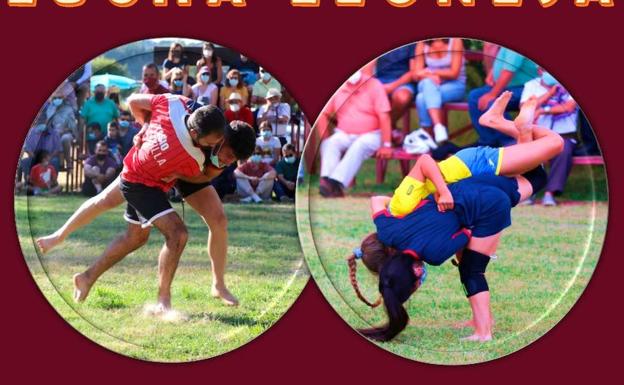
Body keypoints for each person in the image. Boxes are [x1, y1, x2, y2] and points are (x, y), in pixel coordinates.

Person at [347, 98, 563, 342]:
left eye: (417, 284)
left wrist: (478, 248)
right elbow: (377, 202)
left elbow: (466, 234)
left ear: (416, 272)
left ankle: (483, 333)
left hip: (483, 196)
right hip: (468, 186)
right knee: (536, 177)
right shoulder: (387, 228)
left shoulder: (435, 253)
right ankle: (481, 320)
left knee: (472, 270)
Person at [36, 118, 257, 307]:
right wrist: (144, 129)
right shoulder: (205, 121)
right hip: (154, 168)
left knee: (218, 220)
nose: (230, 162)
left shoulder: (224, 154)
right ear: (221, 138)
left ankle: (218, 285)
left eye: (234, 160)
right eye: (229, 155)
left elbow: (206, 176)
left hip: (190, 174)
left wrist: (184, 173)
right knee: (112, 206)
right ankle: (60, 238)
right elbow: (157, 113)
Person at [318, 68, 393, 197]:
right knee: (330, 143)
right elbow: (323, 114)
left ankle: (335, 183)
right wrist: (325, 138)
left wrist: (386, 145)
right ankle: (326, 180)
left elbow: (384, 116)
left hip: (371, 134)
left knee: (360, 145)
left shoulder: (374, 85)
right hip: (344, 133)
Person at [520, 69, 578, 206]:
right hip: (537, 134)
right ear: (539, 71)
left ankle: (549, 194)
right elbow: (525, 107)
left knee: (563, 150)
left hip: (564, 134)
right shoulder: (531, 85)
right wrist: (549, 94)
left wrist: (542, 110)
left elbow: (569, 107)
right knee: (525, 151)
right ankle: (528, 193)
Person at [468, 47, 538, 147]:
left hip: (525, 88)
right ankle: (488, 142)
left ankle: (510, 142)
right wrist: (493, 73)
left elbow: (509, 71)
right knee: (475, 96)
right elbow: (504, 61)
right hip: (509, 87)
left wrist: (492, 94)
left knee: (494, 103)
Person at [414, 38, 466, 144]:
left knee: (421, 98)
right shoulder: (422, 43)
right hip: (429, 84)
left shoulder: (455, 41)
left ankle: (427, 137)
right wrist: (430, 76)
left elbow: (454, 73)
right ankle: (438, 127)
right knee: (428, 84)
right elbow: (416, 74)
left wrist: (431, 73)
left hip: (455, 85)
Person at [374, 43, 417, 127]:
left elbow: (413, 72)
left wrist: (392, 86)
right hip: (379, 80)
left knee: (402, 97)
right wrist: (374, 86)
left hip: (404, 81)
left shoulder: (413, 44)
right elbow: (368, 70)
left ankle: (386, 127)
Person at [45, 88, 78, 170]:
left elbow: (73, 127)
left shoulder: (68, 109)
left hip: (66, 132)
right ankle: (50, 162)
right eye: (55, 98)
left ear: (63, 99)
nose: (57, 100)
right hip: (53, 133)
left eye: (59, 98)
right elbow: (47, 124)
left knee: (65, 138)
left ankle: (68, 162)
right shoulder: (50, 108)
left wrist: (63, 131)